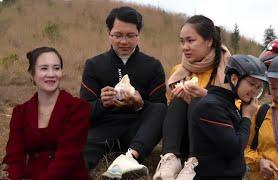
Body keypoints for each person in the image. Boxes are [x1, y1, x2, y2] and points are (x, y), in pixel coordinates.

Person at [80, 6, 167, 178]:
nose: (124, 41)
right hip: (102, 130)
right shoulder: (94, 64)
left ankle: (129, 158)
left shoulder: (153, 66)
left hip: (137, 132)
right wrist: (102, 103)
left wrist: (139, 104)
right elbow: (83, 111)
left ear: (138, 35)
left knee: (161, 109)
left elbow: (159, 109)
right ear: (109, 34)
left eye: (130, 35)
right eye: (118, 35)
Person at [153, 15, 231, 180]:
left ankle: (196, 162)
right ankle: (170, 158)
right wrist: (176, 96)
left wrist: (204, 96)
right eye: (182, 42)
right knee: (179, 100)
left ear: (209, 41)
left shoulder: (228, 70)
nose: (185, 47)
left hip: (213, 139)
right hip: (185, 137)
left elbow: (235, 110)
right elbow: (173, 114)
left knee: (200, 101)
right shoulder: (179, 70)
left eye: (190, 41)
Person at [2, 47, 90, 179]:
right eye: (44, 68)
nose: (51, 74)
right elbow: (14, 156)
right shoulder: (20, 112)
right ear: (32, 74)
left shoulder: (78, 108)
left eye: (56, 68)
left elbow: (68, 155)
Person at [191, 55, 267, 179]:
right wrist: (246, 116)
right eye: (252, 84)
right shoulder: (211, 106)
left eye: (258, 87)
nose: (255, 91)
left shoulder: (228, 103)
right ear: (234, 78)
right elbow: (235, 148)